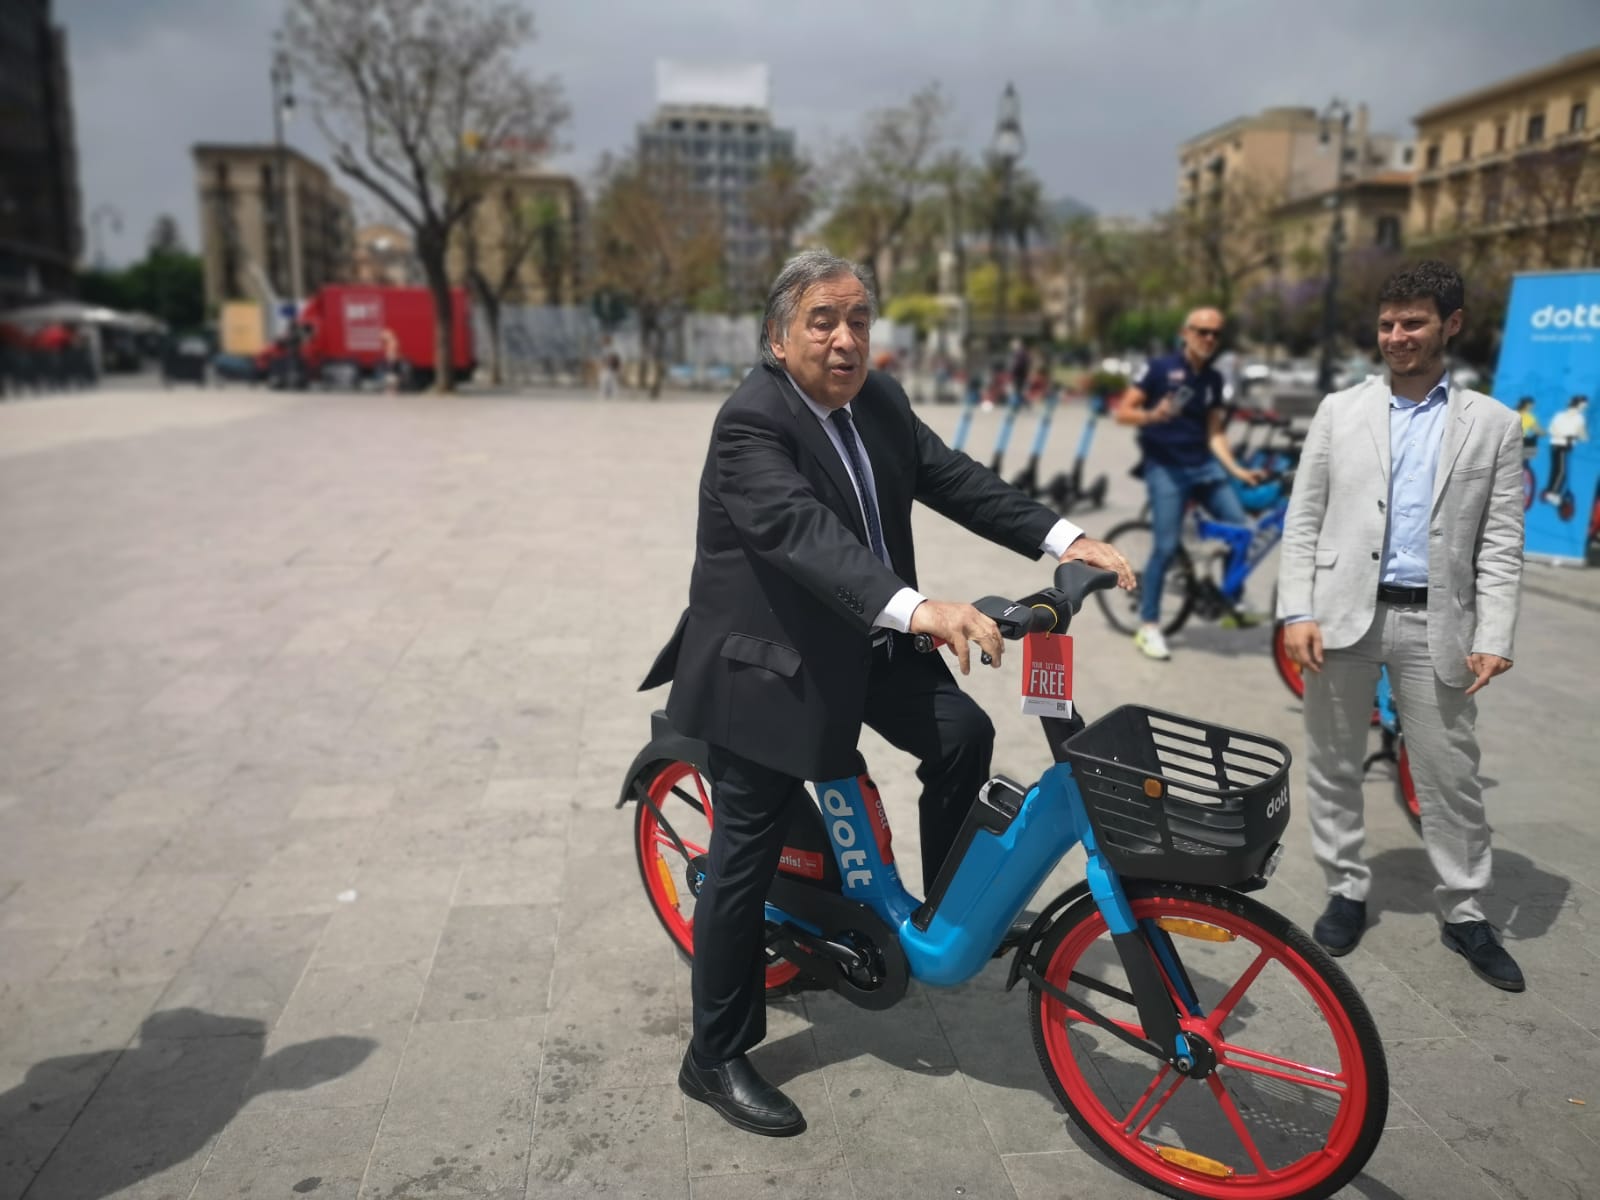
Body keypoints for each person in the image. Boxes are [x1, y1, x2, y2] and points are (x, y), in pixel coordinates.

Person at [639, 250, 1134, 1138]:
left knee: (962, 736)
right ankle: (710, 1055)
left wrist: (1067, 537)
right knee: (744, 855)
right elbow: (804, 535)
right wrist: (921, 609)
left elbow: (953, 478)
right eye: (823, 320)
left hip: (869, 642)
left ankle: (947, 915)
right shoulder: (750, 424)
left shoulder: (878, 401)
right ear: (779, 336)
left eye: (859, 319)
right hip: (771, 665)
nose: (845, 338)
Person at [1277, 260, 1525, 992]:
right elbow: (1304, 520)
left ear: (1451, 324)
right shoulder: (1339, 412)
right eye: (1387, 323)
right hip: (1341, 617)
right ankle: (1347, 887)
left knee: (1451, 774)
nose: (1396, 336)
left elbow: (1501, 541)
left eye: (1413, 322)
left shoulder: (1493, 425)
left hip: (1434, 624)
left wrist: (1496, 633)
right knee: (1332, 760)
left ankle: (1466, 908)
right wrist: (1296, 610)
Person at [1115, 308, 1265, 660]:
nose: (1208, 339)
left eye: (1215, 334)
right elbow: (1124, 412)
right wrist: (1153, 415)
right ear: (1186, 333)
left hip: (1205, 468)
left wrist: (1237, 470)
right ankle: (1149, 625)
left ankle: (1230, 601)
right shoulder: (1159, 369)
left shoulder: (1212, 379)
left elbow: (1215, 431)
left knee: (1241, 529)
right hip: (1166, 468)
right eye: (1201, 331)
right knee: (1166, 547)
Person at [1544, 395, 1588, 507]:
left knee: (1555, 469)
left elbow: (1551, 429)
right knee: (1562, 471)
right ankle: (1553, 493)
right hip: (1564, 446)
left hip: (1554, 444)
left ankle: (1549, 490)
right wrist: (1572, 437)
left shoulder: (1560, 415)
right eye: (1584, 405)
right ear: (1580, 405)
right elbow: (1583, 435)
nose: (1585, 407)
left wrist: (1561, 434)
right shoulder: (1579, 418)